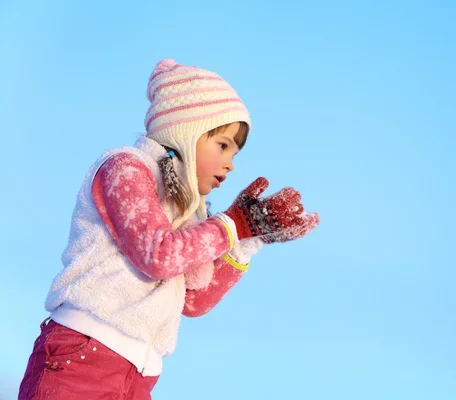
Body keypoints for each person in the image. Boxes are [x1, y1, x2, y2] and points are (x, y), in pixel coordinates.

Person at [18, 58, 320, 399]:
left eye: (234, 153)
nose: (230, 163)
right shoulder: (125, 169)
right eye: (222, 145)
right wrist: (233, 224)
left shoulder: (187, 210)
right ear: (185, 135)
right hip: (83, 358)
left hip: (137, 376)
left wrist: (247, 240)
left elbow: (192, 302)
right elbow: (158, 255)